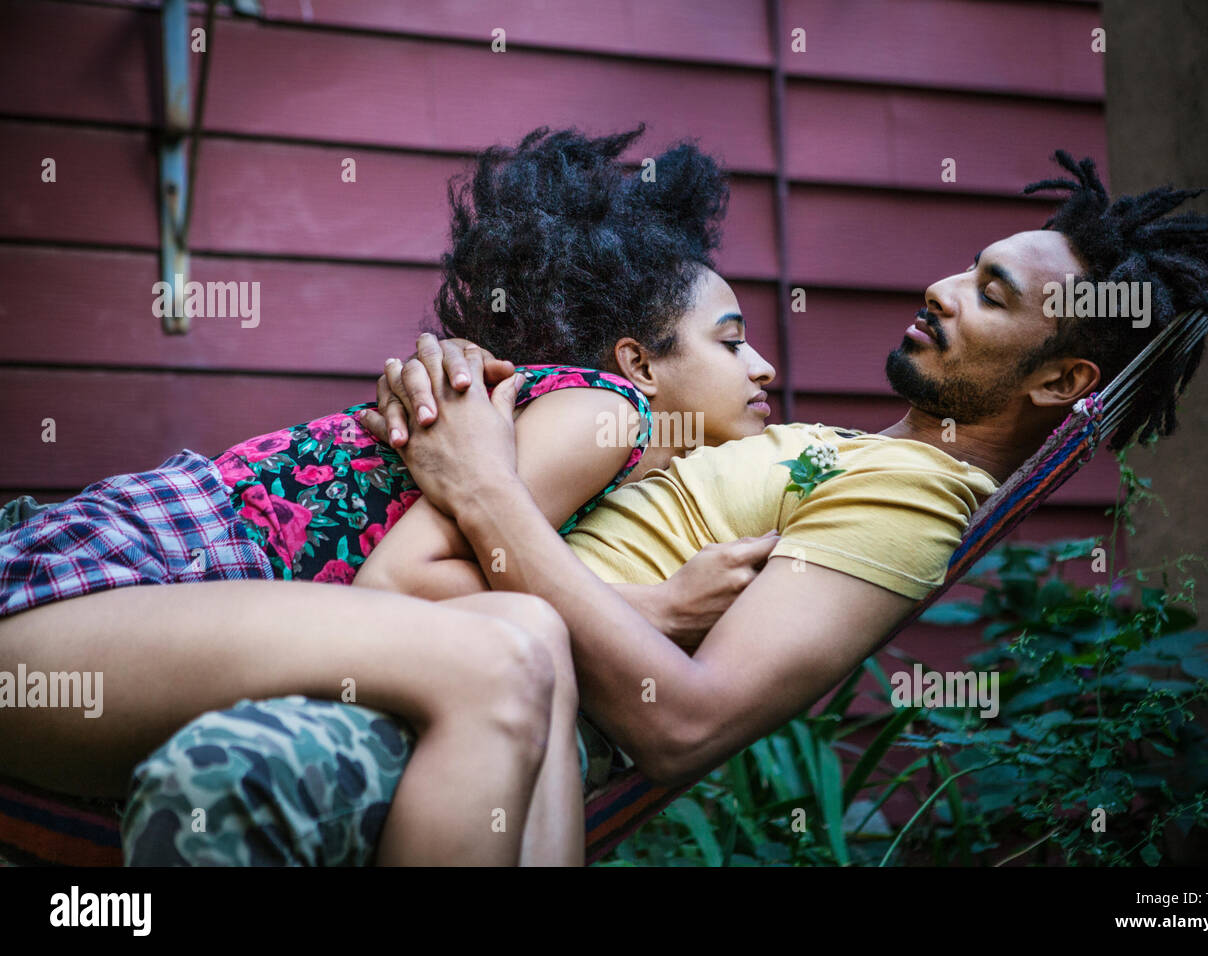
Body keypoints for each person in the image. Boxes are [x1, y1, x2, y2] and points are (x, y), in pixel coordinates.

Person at [118, 151, 1208, 865]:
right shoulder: (807, 443)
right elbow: (600, 413)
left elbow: (684, 721)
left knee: (220, 782)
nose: (941, 289)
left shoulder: (917, 492)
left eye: (991, 293)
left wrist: (479, 483)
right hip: (413, 652)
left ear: (1060, 383)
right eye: (966, 265)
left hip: (465, 718)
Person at [0, 124, 776, 866]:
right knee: (507, 650)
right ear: (637, 363)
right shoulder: (607, 409)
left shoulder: (585, 437)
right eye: (732, 340)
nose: (764, 367)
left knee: (529, 632)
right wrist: (655, 609)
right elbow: (401, 582)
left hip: (128, 647)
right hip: (85, 600)